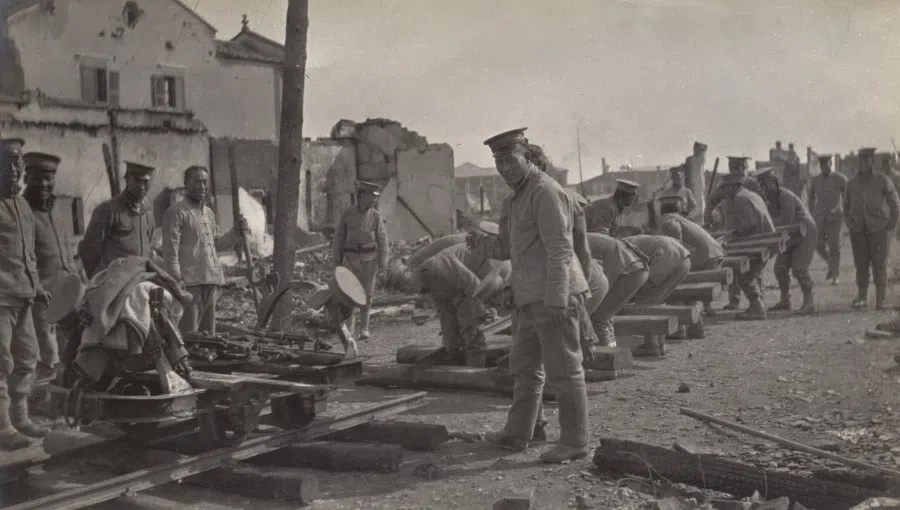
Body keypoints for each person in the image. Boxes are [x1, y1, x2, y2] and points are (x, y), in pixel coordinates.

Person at [467, 127, 590, 463]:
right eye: (498, 161)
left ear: (527, 156)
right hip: (529, 298)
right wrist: (481, 242)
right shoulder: (516, 198)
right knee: (524, 367)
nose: (504, 167)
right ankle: (521, 432)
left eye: (510, 159)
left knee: (564, 369)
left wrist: (556, 300)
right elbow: (508, 247)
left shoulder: (546, 192)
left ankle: (576, 441)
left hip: (554, 296)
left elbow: (560, 250)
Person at [0, 138, 51, 450]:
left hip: (24, 296)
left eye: (17, 163)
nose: (14, 169)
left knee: (26, 359)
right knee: (0, 364)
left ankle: (20, 418)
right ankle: (3, 428)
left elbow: (28, 254)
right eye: (7, 162)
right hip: (1, 299)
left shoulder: (22, 206)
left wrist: (38, 287)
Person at [162, 166, 249, 336]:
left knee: (209, 336)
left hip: (210, 281)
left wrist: (236, 232)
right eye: (197, 182)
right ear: (186, 184)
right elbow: (170, 252)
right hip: (189, 284)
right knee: (189, 335)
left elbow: (218, 244)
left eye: (205, 182)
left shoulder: (208, 213)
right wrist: (176, 280)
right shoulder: (176, 213)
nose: (202, 186)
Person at [21, 152, 82, 383]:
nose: (45, 184)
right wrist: (37, 289)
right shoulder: (22, 214)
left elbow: (68, 254)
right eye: (38, 178)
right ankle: (44, 407)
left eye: (49, 178)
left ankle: (66, 399)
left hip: (69, 294)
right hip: (41, 298)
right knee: (47, 357)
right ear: (26, 178)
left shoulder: (58, 212)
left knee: (72, 351)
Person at [399, 244, 509, 367]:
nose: (410, 291)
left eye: (407, 286)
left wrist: (471, 324)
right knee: (462, 330)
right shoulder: (427, 284)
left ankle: (476, 370)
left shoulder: (436, 266)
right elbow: (445, 312)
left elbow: (473, 286)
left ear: (411, 274)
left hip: (495, 267)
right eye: (405, 290)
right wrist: (450, 345)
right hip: (476, 280)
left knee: (471, 330)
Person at [332, 180, 390, 340]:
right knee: (349, 295)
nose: (374, 201)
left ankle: (364, 328)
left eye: (375, 198)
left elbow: (383, 241)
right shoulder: (348, 214)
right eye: (371, 197)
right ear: (361, 196)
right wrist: (336, 261)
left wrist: (383, 266)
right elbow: (338, 237)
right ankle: (349, 330)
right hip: (350, 261)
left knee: (367, 296)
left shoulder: (376, 217)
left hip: (369, 262)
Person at [78, 161, 156, 279]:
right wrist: (99, 281)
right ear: (127, 179)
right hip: (114, 283)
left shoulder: (148, 213)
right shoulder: (108, 210)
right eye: (136, 180)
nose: (141, 186)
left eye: (145, 181)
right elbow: (89, 250)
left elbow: (149, 247)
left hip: (140, 281)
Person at [844, 147, 900, 309]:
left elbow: (895, 202)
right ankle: (862, 297)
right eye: (861, 161)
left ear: (872, 162)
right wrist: (849, 222)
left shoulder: (882, 180)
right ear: (858, 163)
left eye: (867, 160)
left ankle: (880, 300)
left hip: (878, 230)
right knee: (861, 265)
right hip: (858, 231)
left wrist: (892, 222)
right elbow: (845, 206)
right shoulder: (851, 183)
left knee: (879, 265)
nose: (863, 164)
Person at [756, 167, 817, 315]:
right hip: (790, 235)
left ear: (774, 182)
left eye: (766, 184)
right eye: (762, 185)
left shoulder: (784, 196)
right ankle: (785, 301)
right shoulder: (770, 201)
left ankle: (809, 302)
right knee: (780, 268)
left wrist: (766, 223)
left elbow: (785, 221)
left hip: (804, 232)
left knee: (799, 269)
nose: (764, 188)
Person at [706, 156, 763, 310]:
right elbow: (712, 200)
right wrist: (708, 217)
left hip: (749, 229)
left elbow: (762, 202)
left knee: (753, 265)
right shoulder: (727, 183)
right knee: (732, 262)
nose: (735, 168)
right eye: (733, 165)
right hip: (732, 227)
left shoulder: (752, 183)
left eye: (738, 165)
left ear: (745, 165)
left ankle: (758, 298)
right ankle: (734, 299)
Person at [720, 172, 776, 320]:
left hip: (760, 243)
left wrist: (733, 235)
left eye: (726, 187)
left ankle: (757, 308)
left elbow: (748, 225)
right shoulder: (751, 194)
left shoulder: (739, 199)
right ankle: (757, 305)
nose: (725, 191)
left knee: (744, 275)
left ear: (734, 186)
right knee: (750, 274)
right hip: (767, 240)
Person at [625, 234, 692, 354]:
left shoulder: (621, 248)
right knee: (658, 299)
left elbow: (631, 274)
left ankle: (651, 345)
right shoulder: (632, 240)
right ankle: (660, 344)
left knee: (644, 300)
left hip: (667, 259)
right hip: (684, 258)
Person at [657, 195, 724, 315]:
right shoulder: (683, 219)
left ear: (662, 210)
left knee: (679, 281)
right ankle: (707, 308)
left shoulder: (668, 219)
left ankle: (690, 313)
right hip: (715, 254)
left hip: (705, 257)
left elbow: (675, 242)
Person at [585, 233, 650, 347]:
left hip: (628, 270)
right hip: (639, 268)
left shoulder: (570, 241)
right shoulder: (587, 236)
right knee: (606, 316)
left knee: (598, 319)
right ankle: (613, 352)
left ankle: (607, 357)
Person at [808, 154, 847, 285]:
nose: (824, 167)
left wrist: (844, 209)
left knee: (834, 246)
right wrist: (812, 212)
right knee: (817, 244)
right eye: (821, 165)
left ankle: (836, 276)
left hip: (835, 218)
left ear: (831, 163)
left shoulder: (840, 178)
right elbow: (810, 198)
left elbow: (849, 195)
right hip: (819, 218)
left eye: (826, 164)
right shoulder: (815, 180)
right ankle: (831, 263)